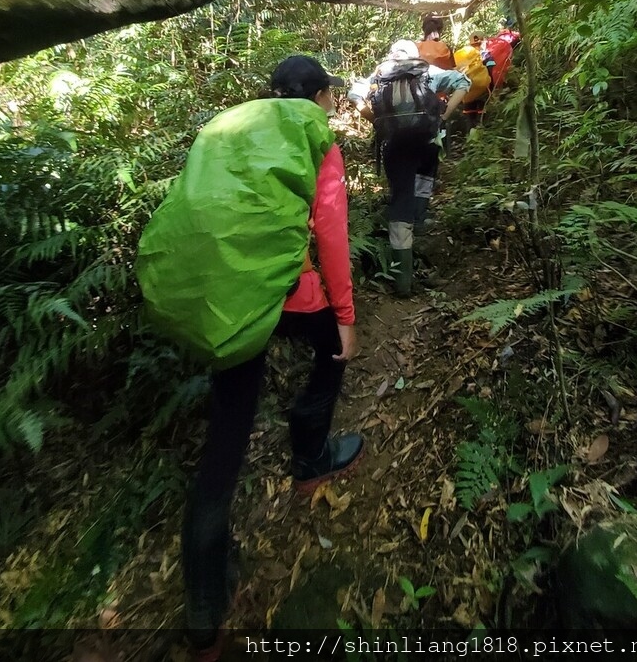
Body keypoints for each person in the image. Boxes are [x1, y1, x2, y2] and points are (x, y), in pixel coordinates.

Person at [137, 56, 362, 662]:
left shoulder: (224, 124)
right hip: (287, 292)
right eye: (328, 95)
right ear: (316, 95)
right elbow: (331, 232)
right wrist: (345, 318)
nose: (330, 105)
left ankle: (204, 604)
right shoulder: (314, 134)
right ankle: (311, 454)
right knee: (333, 353)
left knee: (227, 434)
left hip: (224, 297)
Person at [348, 40, 469, 297]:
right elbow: (462, 82)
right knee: (421, 192)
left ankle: (403, 280)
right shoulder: (428, 71)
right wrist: (443, 117)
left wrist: (377, 121)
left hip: (395, 147)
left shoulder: (380, 74)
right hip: (427, 146)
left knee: (400, 200)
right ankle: (420, 247)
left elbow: (354, 96)